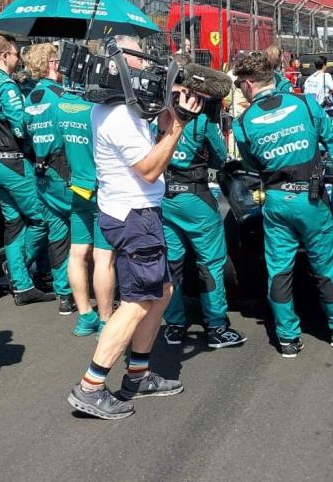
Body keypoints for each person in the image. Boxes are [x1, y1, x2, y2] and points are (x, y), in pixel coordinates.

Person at [66, 35, 202, 420]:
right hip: (134, 215)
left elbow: (150, 119)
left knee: (160, 291)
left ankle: (138, 375)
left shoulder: (118, 106)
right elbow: (150, 168)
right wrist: (177, 128)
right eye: (139, 59)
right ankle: (91, 386)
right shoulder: (119, 117)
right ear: (120, 65)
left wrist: (168, 110)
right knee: (138, 301)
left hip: (130, 212)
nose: (147, 65)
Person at [232, 51, 333, 358]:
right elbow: (332, 140)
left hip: (275, 201)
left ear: (250, 83)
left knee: (279, 269)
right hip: (311, 197)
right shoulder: (305, 103)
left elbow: (251, 163)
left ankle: (287, 338)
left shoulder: (242, 122)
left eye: (240, 85)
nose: (239, 89)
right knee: (326, 265)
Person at [161, 94, 247, 349]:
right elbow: (220, 159)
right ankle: (217, 326)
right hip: (196, 198)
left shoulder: (158, 115)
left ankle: (174, 325)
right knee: (210, 262)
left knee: (172, 263)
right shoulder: (203, 121)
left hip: (164, 197)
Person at [0, 33, 51, 304]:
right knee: (41, 218)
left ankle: (22, 286)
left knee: (14, 223)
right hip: (14, 161)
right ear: (5, 55)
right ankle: (18, 268)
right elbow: (20, 127)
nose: (18, 58)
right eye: (16, 54)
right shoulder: (7, 87)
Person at [56, 73, 116, 337]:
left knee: (77, 253)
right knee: (103, 258)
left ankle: (84, 316)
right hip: (101, 189)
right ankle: (105, 319)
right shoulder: (98, 110)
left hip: (76, 186)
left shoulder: (62, 107)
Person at [21, 43, 75, 315]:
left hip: (41, 176)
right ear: (54, 64)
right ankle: (87, 292)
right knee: (85, 233)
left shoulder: (29, 99)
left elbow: (22, 132)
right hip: (66, 175)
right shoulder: (62, 96)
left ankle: (64, 294)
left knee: (57, 236)